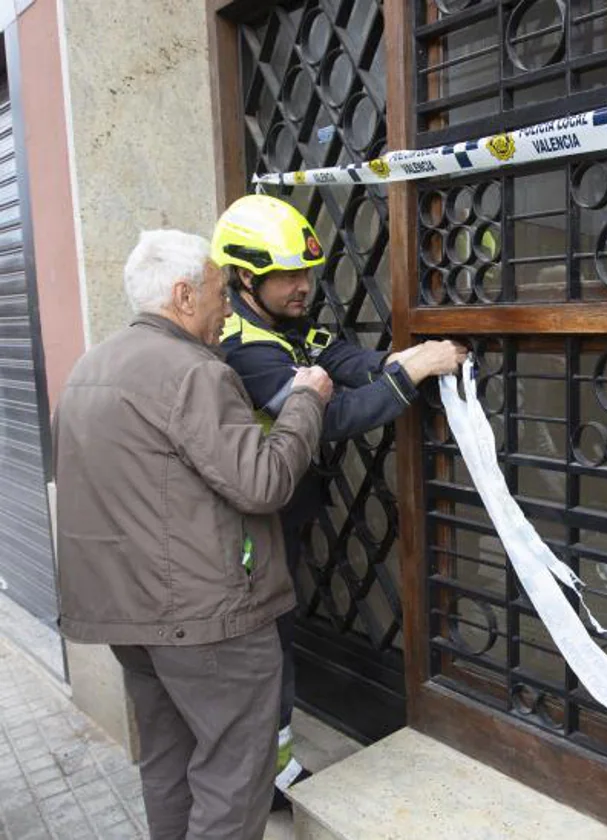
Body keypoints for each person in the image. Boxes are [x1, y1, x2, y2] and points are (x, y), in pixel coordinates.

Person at [53, 230, 334, 840]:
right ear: (183, 296)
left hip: (129, 618)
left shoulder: (88, 369)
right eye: (216, 292)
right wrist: (306, 402)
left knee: (168, 762)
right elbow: (262, 483)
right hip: (208, 621)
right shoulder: (193, 373)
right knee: (235, 775)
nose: (227, 306)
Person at [210, 194, 466, 806]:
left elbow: (340, 357)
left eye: (306, 273)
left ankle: (269, 766)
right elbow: (331, 417)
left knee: (278, 636)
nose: (303, 287)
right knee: (266, 646)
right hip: (253, 526)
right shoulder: (243, 348)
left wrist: (394, 360)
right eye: (288, 276)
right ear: (247, 278)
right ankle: (267, 776)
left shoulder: (285, 325)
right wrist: (411, 375)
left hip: (285, 514)